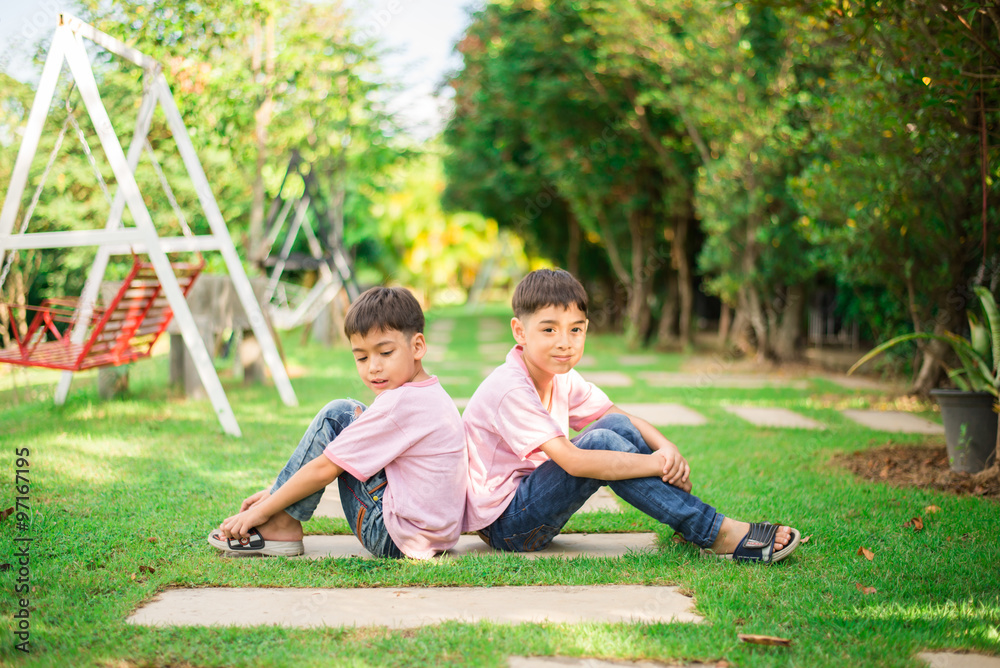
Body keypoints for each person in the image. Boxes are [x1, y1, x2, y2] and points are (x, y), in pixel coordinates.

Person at [462, 268, 801, 563]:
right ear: (520, 332)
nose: (564, 342)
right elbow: (574, 463)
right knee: (598, 441)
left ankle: (690, 523)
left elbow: (616, 414)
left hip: (529, 500)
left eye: (575, 330)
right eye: (549, 330)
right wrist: (655, 465)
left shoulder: (560, 376)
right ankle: (714, 531)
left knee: (615, 426)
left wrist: (666, 449)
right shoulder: (510, 388)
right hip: (506, 525)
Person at [208, 286, 467, 559]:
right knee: (351, 415)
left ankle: (281, 524)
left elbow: (324, 468)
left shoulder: (399, 404)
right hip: (435, 536)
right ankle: (280, 515)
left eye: (385, 353)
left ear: (417, 346)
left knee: (338, 416)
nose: (373, 367)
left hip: (394, 537)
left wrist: (264, 509)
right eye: (362, 357)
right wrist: (275, 492)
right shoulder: (431, 392)